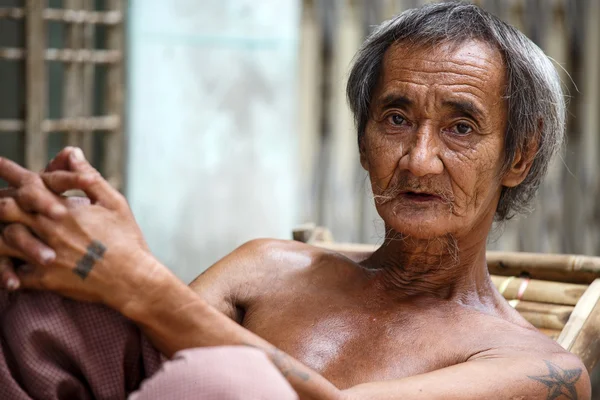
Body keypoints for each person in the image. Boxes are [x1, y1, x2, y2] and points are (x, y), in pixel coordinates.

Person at [0, 2, 591, 399]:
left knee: (224, 376)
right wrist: (55, 241)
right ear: (363, 141)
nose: (417, 158)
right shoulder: (268, 268)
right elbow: (141, 366)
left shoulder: (540, 369)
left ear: (519, 154)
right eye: (395, 118)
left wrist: (140, 280)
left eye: (460, 128)